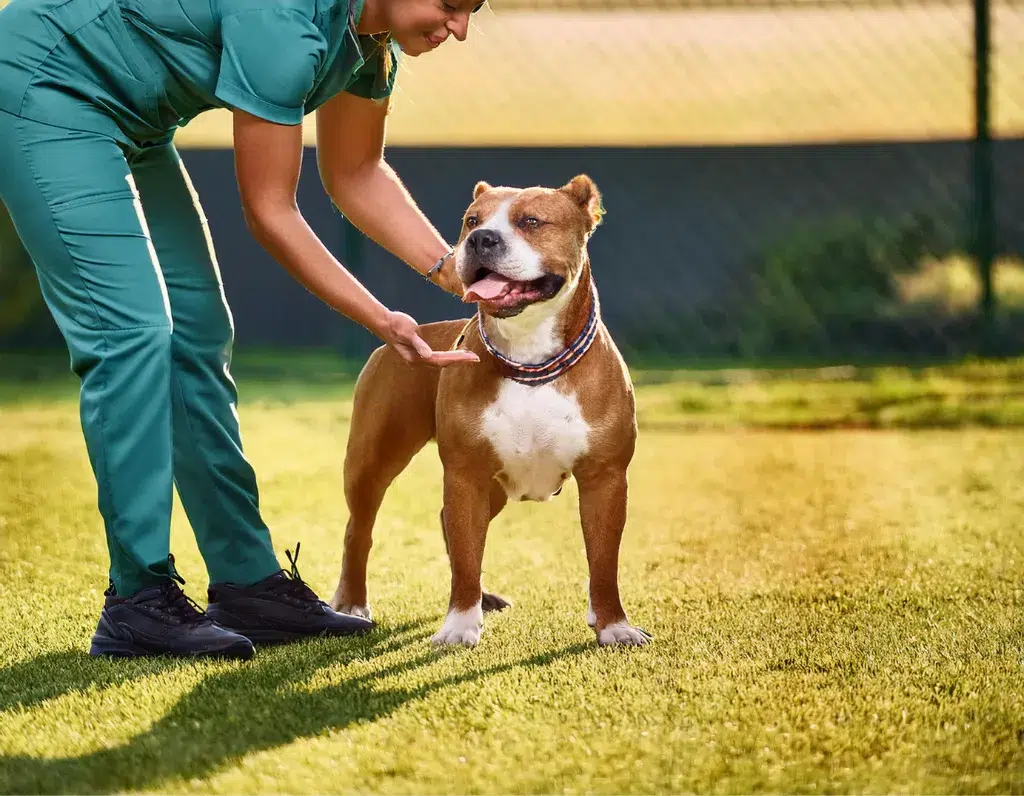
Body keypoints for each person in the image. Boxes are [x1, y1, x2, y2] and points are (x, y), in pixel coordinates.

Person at [0, 0, 483, 660]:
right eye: (450, 4)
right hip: (43, 85)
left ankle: (248, 583)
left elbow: (355, 175)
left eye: (471, 11)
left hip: (133, 122)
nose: (459, 27)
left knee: (196, 332)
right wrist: (381, 318)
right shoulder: (284, 21)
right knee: (132, 332)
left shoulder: (366, 49)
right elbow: (269, 210)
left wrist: (461, 274)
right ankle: (137, 601)